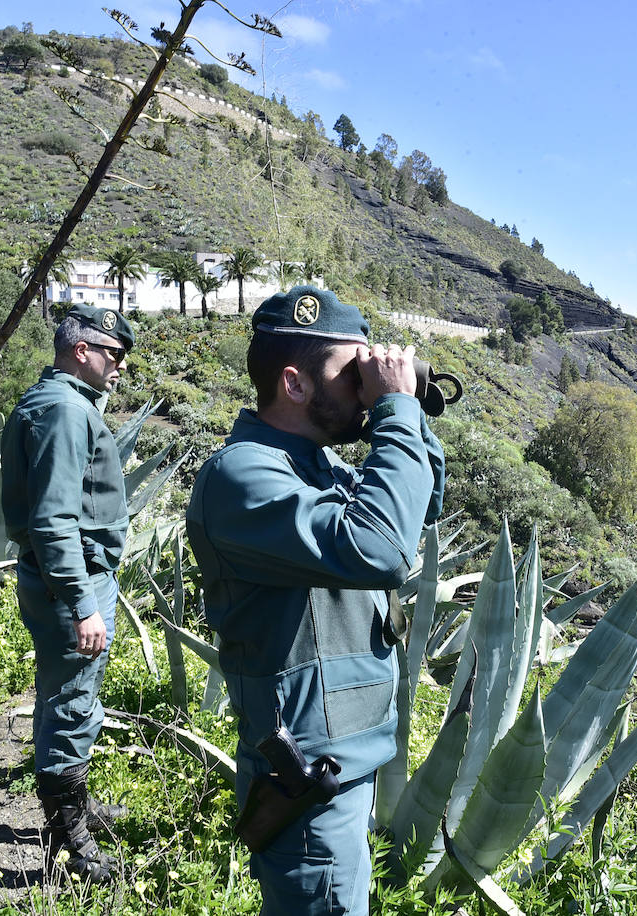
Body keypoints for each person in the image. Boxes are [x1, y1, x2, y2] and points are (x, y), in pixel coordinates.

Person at [187, 286, 446, 915]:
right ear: (295, 385)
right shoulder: (243, 476)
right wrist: (393, 413)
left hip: (347, 759)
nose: (363, 383)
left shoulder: (318, 467)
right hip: (308, 778)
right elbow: (380, 548)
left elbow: (421, 506)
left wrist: (410, 409)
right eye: (346, 370)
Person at [1, 303, 135, 883]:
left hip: (59, 576)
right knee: (72, 702)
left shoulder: (51, 400)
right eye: (114, 354)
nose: (119, 366)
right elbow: (56, 518)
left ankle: (75, 809)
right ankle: (72, 844)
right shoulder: (63, 411)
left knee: (64, 693)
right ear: (82, 350)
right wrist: (83, 604)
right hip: (70, 581)